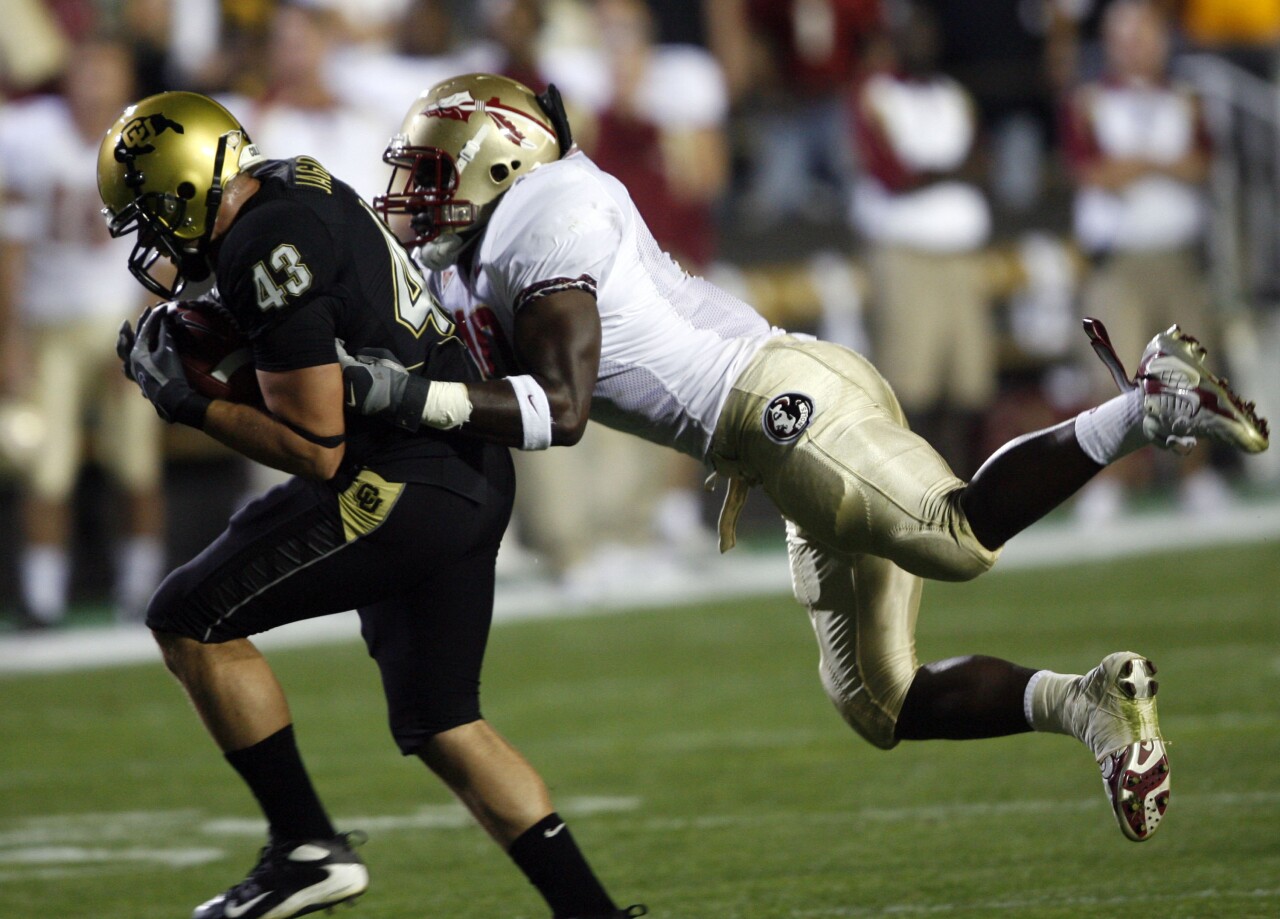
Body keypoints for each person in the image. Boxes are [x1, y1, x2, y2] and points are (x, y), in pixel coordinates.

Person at [340, 73, 1270, 846]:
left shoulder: (544, 213)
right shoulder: (476, 244)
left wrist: (407, 395)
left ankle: (1144, 404)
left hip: (775, 398)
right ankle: (1089, 703)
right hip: (763, 435)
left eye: (430, 169)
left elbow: (564, 409)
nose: (415, 191)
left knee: (951, 536)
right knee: (879, 699)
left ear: (500, 160)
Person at [98, 90, 643, 919]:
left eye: (148, 211)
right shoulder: (287, 185)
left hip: (404, 482)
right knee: (443, 722)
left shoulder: (264, 246)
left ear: (182, 188)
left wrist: (190, 403)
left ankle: (304, 847)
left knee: (187, 616)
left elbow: (316, 443)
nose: (149, 237)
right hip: (466, 468)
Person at [0, 36, 165, 628]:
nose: (94, 82)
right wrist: (10, 339)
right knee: (45, 463)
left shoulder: (149, 141)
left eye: (106, 69)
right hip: (48, 321)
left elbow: (168, 251)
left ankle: (141, 586)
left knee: (136, 459)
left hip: (123, 318)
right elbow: (10, 248)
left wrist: (147, 330)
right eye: (86, 68)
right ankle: (42, 597)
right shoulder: (26, 135)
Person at [1062, 0, 1229, 522]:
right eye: (1127, 36)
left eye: (1144, 35)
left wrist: (1138, 165)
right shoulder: (1090, 100)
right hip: (1121, 260)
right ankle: (1109, 484)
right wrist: (1159, 166)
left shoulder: (1185, 98)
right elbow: (1095, 174)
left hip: (1177, 255)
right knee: (1115, 380)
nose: (1136, 46)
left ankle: (1196, 478)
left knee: (1192, 374)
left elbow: (1202, 164)